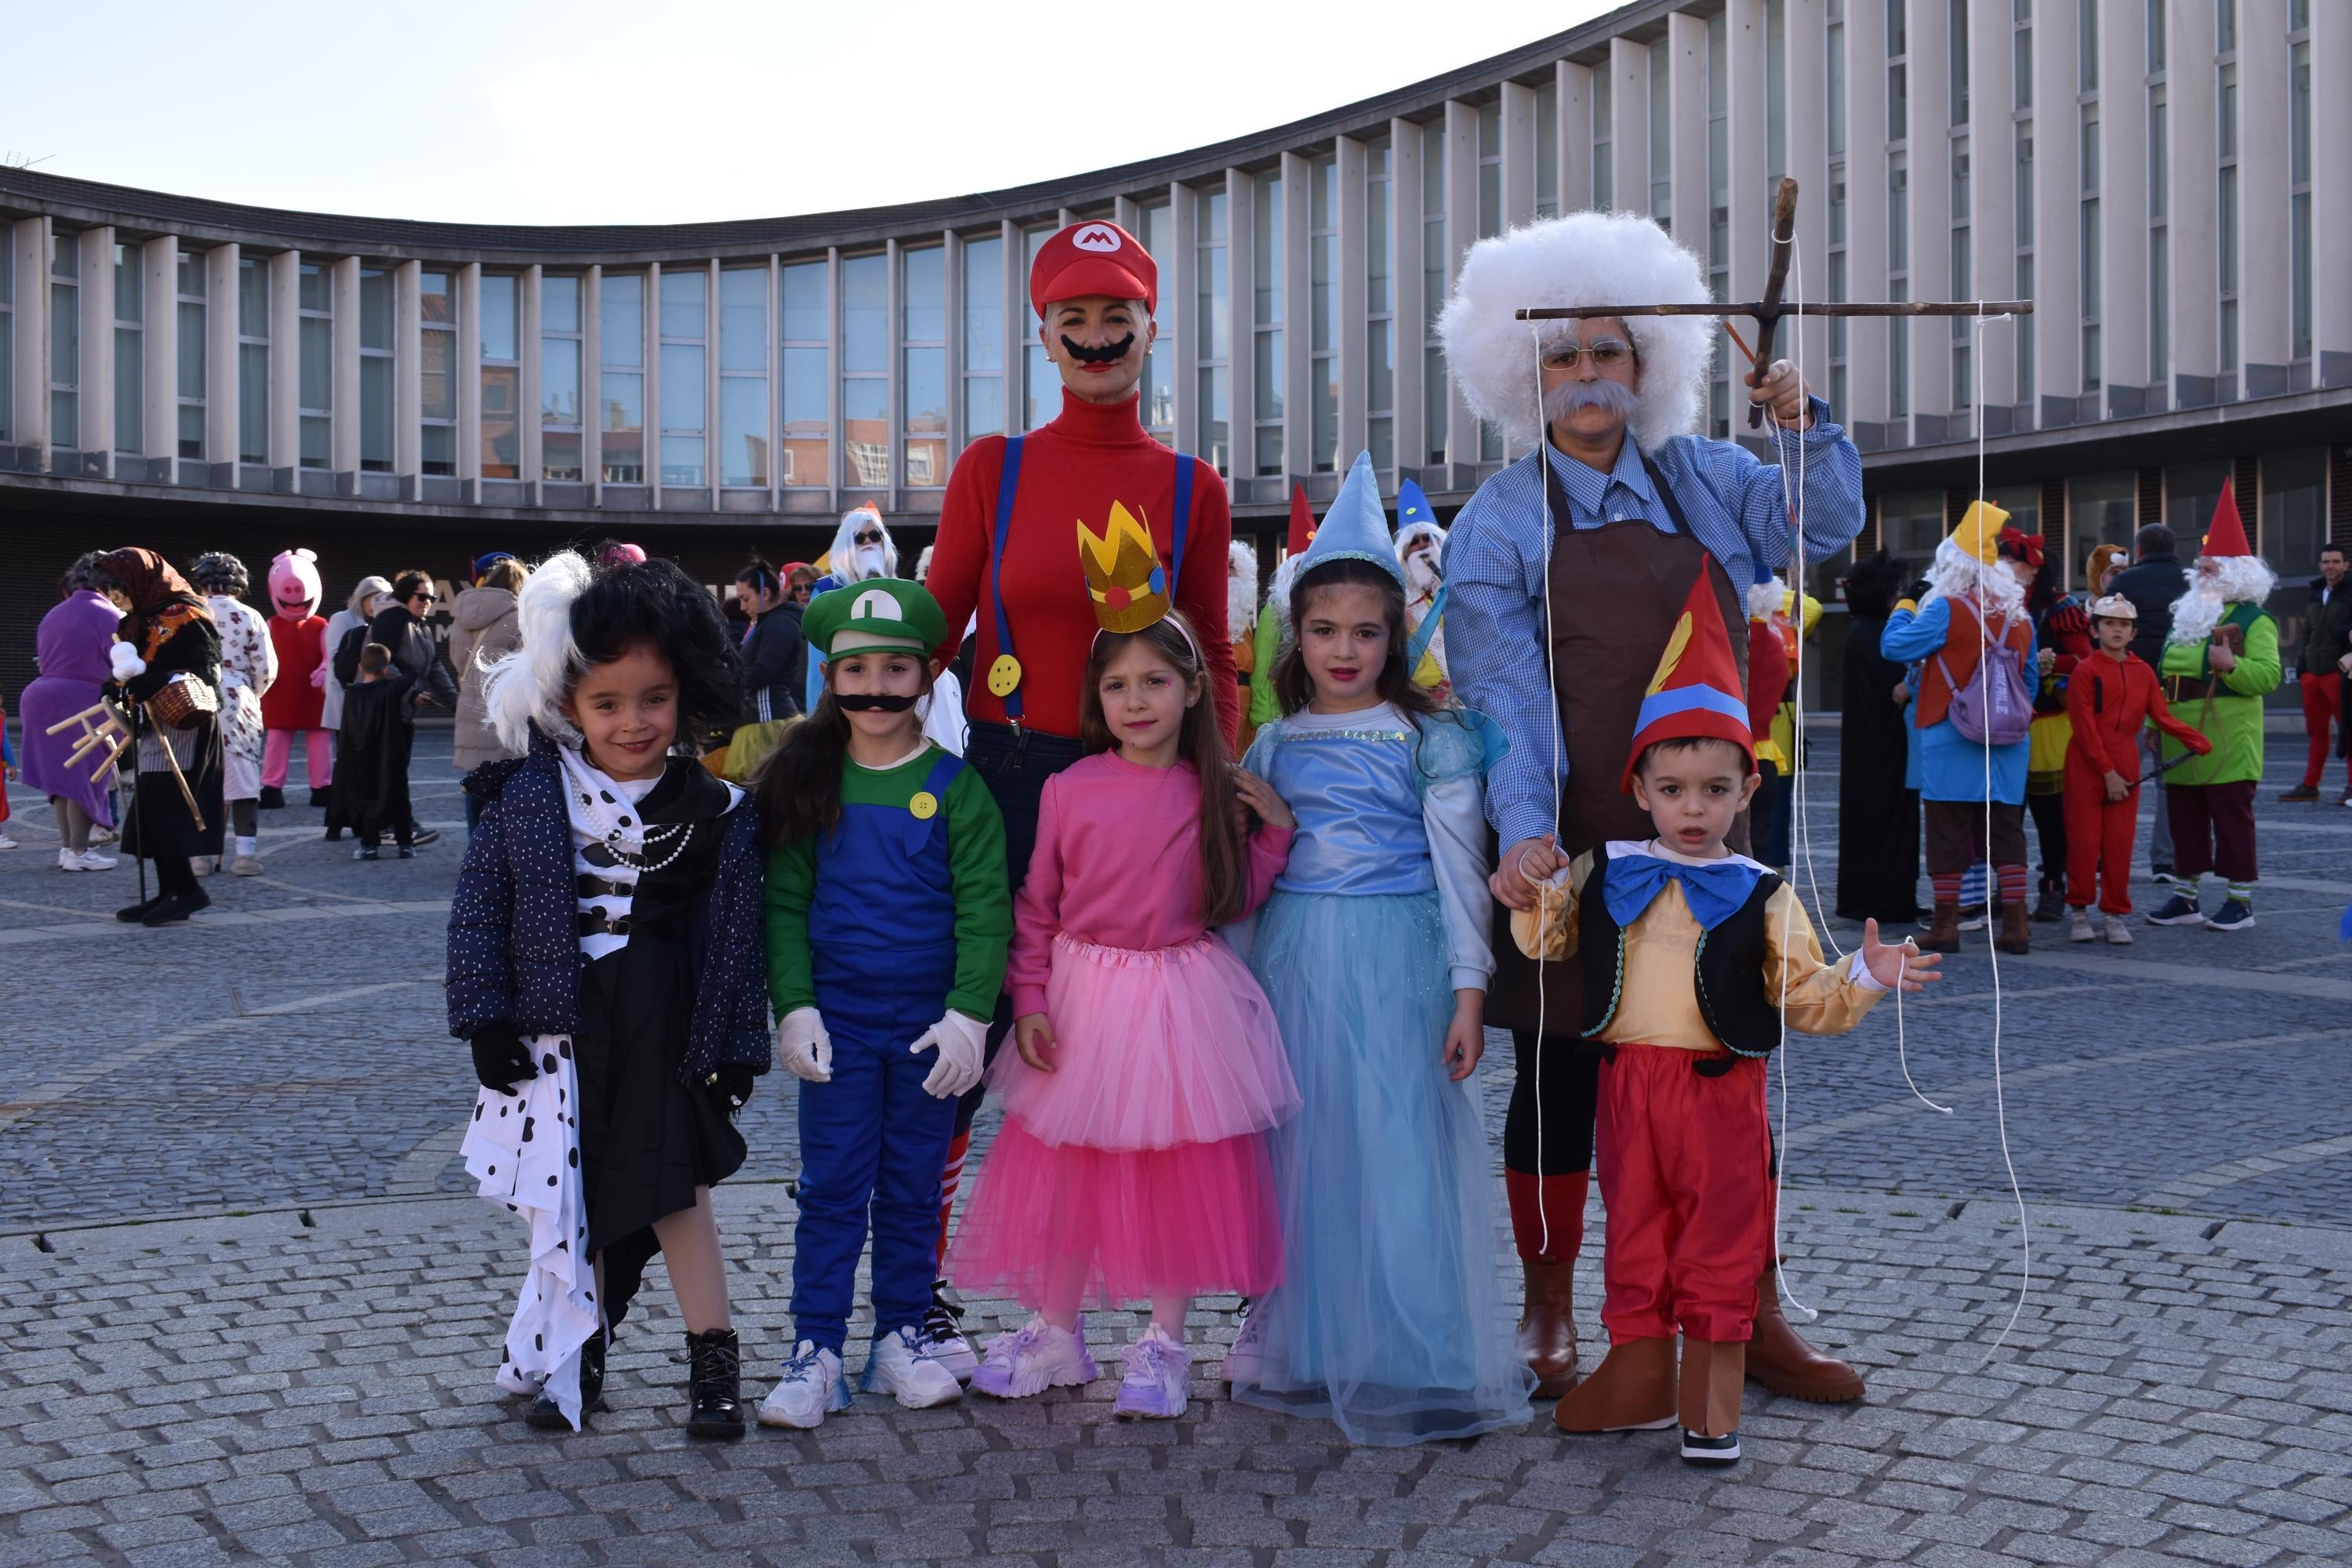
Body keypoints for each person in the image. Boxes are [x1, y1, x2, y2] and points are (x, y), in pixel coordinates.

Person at [1437, 209, 1866, 1404]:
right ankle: (1548, 1308)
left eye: (1611, 352)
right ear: (1528, 375)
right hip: (1572, 832)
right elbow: (1504, 700)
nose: (1589, 375)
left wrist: (1803, 428)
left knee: (1732, 1055)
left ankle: (1750, 1315)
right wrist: (1527, 832)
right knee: (1559, 1074)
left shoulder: (1710, 478)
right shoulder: (1504, 519)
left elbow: (1824, 524)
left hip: (1714, 826)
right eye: (1565, 356)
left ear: (1647, 368)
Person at [1512, 558, 1936, 1466]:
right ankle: (1636, 1381)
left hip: (1719, 1091)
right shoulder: (1608, 869)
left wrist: (1866, 970)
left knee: (1717, 1237)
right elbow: (1548, 948)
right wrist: (1533, 888)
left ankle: (1711, 1402)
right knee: (1633, 1231)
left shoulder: (1763, 891)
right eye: (1673, 790)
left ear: (1749, 790)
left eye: (1714, 789)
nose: (1693, 808)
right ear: (1640, 791)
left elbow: (1806, 997)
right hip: (1628, 1090)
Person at [919, 218, 1238, 1375]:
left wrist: (1226, 787)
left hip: (1147, 792)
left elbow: (1213, 652)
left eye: (1119, 317)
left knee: (1138, 1064)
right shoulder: (991, 469)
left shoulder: (1191, 485)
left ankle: (1147, 1325)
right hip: (1005, 783)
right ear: (1043, 332)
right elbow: (931, 627)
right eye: (1076, 319)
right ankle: (922, 1298)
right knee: (968, 1034)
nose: (1098, 337)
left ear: (1153, 330)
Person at [1225, 452, 1530, 1444]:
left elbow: (1455, 872)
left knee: (1403, 1151)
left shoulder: (1427, 738)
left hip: (1400, 959)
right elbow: (1250, 881)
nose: (1345, 649)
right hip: (1296, 962)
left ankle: (1428, 1353)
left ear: (1398, 632)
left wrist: (1470, 992)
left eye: (1367, 629)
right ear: (1293, 635)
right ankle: (1318, 1341)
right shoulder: (1272, 747)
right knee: (1309, 1151)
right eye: (1323, 631)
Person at [949, 590, 1292, 1421]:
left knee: (1173, 1169)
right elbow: (1037, 903)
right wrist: (1027, 997)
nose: (1136, 701)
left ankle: (1165, 1341)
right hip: (1082, 997)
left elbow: (1231, 897)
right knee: (1068, 1169)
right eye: (1117, 686)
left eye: (1154, 682)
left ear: (1194, 689)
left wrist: (1274, 834)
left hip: (1178, 997)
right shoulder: (1071, 787)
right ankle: (1057, 1329)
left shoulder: (1213, 791)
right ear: (1096, 699)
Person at [449, 549, 768, 1438]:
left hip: (667, 1029)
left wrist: (736, 1049)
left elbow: (742, 945)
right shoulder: (523, 796)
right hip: (563, 1028)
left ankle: (715, 1362)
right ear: (566, 704)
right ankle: (579, 1351)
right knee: (580, 1193)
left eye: (654, 699)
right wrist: (484, 1020)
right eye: (608, 702)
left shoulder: (717, 808)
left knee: (676, 1192)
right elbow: (479, 913)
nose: (634, 722)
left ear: (686, 693)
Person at [754, 578, 1011, 1428]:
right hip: (841, 1024)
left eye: (896, 668)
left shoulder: (956, 787)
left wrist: (972, 1014)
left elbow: (984, 908)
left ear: (927, 678)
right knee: (831, 1186)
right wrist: (795, 1006)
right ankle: (816, 1346)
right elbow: (785, 905)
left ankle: (901, 1333)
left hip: (928, 1030)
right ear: (832, 678)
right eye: (856, 668)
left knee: (910, 1188)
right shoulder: (807, 778)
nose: (875, 687)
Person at [1881, 502, 2039, 956]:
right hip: (2009, 738)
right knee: (2007, 831)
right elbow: (2029, 681)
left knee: (1949, 830)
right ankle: (2016, 927)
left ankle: (1946, 926)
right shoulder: (2019, 615)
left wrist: (1908, 602)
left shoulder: (1949, 608)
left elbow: (1894, 646)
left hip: (1951, 732)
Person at [2148, 486, 2282, 932]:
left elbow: (2268, 676)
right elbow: (2165, 674)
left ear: (2234, 574)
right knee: (2185, 816)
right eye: (2201, 567)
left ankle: (2239, 902)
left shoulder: (2254, 620)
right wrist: (2154, 721)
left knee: (2230, 816)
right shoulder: (2185, 615)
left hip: (2228, 732)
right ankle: (2186, 899)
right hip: (2179, 730)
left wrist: (2232, 665)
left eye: (2210, 567)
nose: (2201, 572)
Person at [2063, 595, 2211, 942]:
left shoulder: (2143, 671)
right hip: (2086, 764)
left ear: (2133, 633)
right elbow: (2083, 728)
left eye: (2124, 625)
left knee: (2119, 844)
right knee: (2084, 843)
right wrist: (2107, 772)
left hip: (2126, 760)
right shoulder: (2085, 670)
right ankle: (2080, 911)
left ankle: (2115, 913)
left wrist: (2196, 739)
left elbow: (2161, 716)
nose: (2117, 630)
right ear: (2095, 629)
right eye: (2110, 623)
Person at [91, 549, 225, 927]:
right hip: (154, 723)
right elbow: (130, 669)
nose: (115, 598)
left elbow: (208, 673)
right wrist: (115, 685)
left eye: (119, 588)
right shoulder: (139, 621)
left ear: (140, 581)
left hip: (185, 722)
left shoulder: (187, 616)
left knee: (171, 808)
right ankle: (169, 891)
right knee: (151, 808)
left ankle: (189, 890)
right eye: (110, 591)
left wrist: (147, 680)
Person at [20, 555, 124, 871]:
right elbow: (121, 662)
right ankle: (79, 852)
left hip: (40, 694)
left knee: (61, 777)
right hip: (82, 697)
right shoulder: (110, 614)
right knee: (85, 775)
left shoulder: (54, 612)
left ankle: (69, 849)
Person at [339, 570, 456, 848]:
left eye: (432, 597)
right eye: (422, 596)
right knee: (388, 772)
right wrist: (411, 693)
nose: (427, 601)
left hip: (401, 711)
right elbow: (382, 661)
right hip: (384, 712)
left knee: (396, 770)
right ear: (406, 595)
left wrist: (457, 703)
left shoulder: (420, 625)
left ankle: (394, 824)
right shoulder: (393, 620)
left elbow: (433, 666)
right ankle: (389, 827)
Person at [1835, 552, 1919, 924]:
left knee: (1867, 824)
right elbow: (1895, 688)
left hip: (1866, 750)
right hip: (1885, 748)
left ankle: (1869, 897)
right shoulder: (1878, 635)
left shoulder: (1861, 632)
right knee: (1889, 824)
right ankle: (1887, 900)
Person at [2009, 530, 2086, 924]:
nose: (2002, 567)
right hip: (2003, 725)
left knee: (2051, 817)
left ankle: (2054, 886)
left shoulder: (2061, 608)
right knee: (2007, 819)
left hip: (2049, 727)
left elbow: (2088, 661)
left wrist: (2052, 664)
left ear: (2032, 566)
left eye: (2010, 561)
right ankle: (2011, 894)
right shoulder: (1995, 604)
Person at [2107, 524, 2190, 880]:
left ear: (2138, 550)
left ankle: (2104, 854)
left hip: (2131, 688)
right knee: (2167, 780)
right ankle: (2165, 860)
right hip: (2176, 690)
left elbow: (2105, 628)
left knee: (2117, 774)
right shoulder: (2191, 583)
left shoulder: (2125, 583)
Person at [188, 553, 277, 878]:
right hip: (238, 697)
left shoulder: (190, 613)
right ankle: (245, 857)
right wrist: (252, 691)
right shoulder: (250, 615)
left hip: (196, 696)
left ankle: (202, 856)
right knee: (243, 779)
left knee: (202, 778)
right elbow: (266, 669)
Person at [451, 556, 530, 829]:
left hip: (468, 710)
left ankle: (476, 851)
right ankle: (501, 857)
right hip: (502, 715)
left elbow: (459, 662)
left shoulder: (462, 617)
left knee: (475, 785)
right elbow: (524, 669)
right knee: (507, 791)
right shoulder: (520, 617)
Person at [802, 506, 899, 712]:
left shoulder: (899, 592)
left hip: (891, 700)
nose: (868, 543)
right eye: (859, 538)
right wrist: (818, 717)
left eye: (875, 536)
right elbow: (817, 666)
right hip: (844, 703)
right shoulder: (827, 590)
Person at [321, 576, 391, 841]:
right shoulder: (343, 619)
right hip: (346, 699)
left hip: (367, 700)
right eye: (374, 598)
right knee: (348, 763)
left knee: (363, 764)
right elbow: (337, 659)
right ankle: (337, 822)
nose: (378, 603)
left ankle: (359, 819)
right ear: (362, 597)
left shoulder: (376, 624)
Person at [259, 548, 330, 809]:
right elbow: (262, 656)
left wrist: (324, 670)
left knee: (320, 743)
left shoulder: (322, 625)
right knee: (277, 742)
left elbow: (328, 655)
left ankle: (322, 786)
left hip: (313, 693)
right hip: (281, 692)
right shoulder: (270, 624)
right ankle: (272, 787)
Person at [336, 644, 416, 859]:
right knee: (399, 798)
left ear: (361, 667)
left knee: (367, 799)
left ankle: (370, 845)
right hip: (392, 754)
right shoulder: (391, 688)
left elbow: (347, 729)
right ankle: (405, 844)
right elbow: (412, 672)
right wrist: (395, 654)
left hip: (362, 755)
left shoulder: (351, 693)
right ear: (385, 669)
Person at [2285, 543, 2350, 803]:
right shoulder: (2316, 593)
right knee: (2316, 733)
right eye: (2326, 562)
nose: (2330, 566)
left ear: (2346, 564)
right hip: (2312, 673)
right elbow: (2308, 633)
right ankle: (2310, 785)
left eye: (2335, 561)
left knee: (2348, 730)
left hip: (2340, 672)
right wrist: (2302, 665)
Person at [1248, 488, 1316, 739]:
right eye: (1301, 566)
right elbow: (1263, 666)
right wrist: (1264, 717)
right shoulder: (1276, 609)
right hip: (1278, 716)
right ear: (1289, 571)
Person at [1744, 564, 1795, 869]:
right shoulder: (1778, 644)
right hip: (1766, 754)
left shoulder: (1736, 644)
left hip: (1735, 758)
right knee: (1758, 851)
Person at [1396, 478, 1452, 704]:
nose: (1422, 546)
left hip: (1465, 694)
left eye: (1427, 539)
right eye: (1414, 541)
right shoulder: (1397, 599)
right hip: (1422, 699)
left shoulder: (1458, 586)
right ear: (1405, 553)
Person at [733, 559, 805, 724]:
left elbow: (764, 672)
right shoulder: (769, 622)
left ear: (765, 594)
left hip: (769, 719)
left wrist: (726, 679)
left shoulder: (780, 623)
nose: (742, 607)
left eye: (745, 598)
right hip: (765, 717)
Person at [1229, 539, 1264, 752]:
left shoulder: (1245, 623)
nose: (1227, 573)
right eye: (1222, 566)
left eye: (1232, 566)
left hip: (1243, 698)